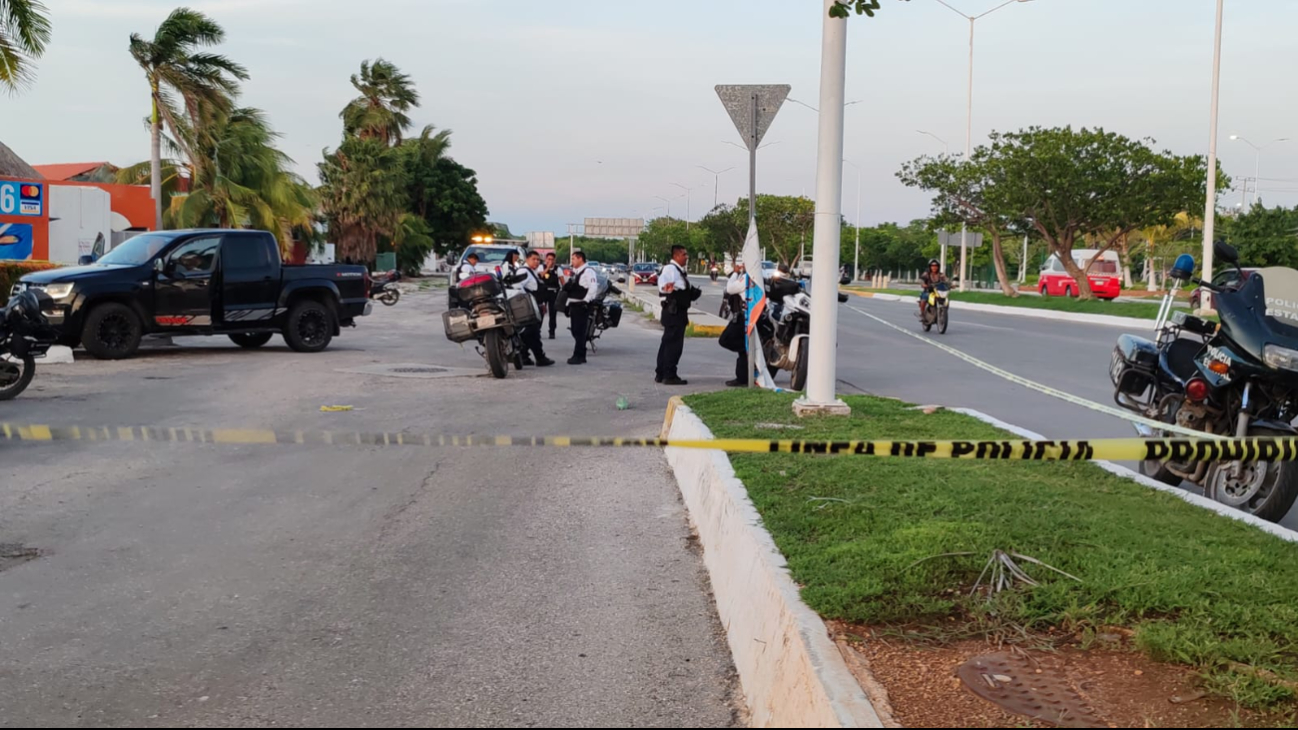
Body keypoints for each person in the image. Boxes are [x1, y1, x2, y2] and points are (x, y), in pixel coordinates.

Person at [656, 244, 699, 386]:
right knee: (673, 345)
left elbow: (680, 288)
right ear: (676, 256)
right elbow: (664, 287)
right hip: (673, 312)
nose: (686, 257)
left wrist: (690, 294)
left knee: (668, 343)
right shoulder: (670, 269)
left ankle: (661, 373)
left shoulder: (678, 271)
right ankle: (669, 374)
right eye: (684, 254)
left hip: (677, 311)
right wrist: (672, 291)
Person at [514, 251, 555, 367]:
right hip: (528, 309)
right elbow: (517, 287)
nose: (536, 262)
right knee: (533, 333)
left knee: (529, 334)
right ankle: (540, 357)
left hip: (535, 307)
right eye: (534, 259)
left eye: (538, 260)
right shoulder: (524, 272)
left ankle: (524, 356)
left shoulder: (532, 272)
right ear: (527, 259)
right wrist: (527, 301)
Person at [564, 250, 600, 365]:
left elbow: (593, 287)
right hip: (574, 305)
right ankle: (581, 354)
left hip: (581, 305)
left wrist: (586, 301)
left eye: (573, 259)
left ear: (580, 259)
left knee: (580, 332)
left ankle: (578, 355)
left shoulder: (588, 271)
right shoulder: (576, 272)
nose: (572, 261)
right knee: (575, 331)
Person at [723, 261, 749, 387]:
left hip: (744, 317)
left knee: (726, 340)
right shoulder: (754, 277)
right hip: (748, 316)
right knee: (742, 349)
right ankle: (743, 376)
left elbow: (730, 288)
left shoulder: (747, 278)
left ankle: (743, 376)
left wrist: (735, 273)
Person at [540, 251, 562, 339]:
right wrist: (548, 268)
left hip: (553, 293)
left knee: (553, 313)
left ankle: (552, 331)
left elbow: (562, 281)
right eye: (549, 259)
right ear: (546, 260)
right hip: (543, 292)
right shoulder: (542, 267)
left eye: (552, 260)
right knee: (541, 311)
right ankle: (538, 330)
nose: (550, 261)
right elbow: (541, 275)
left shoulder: (558, 269)